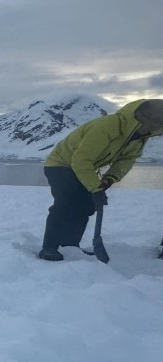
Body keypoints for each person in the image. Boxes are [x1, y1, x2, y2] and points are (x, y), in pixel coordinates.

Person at [38, 99, 163, 261]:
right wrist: (95, 189)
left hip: (84, 168)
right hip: (60, 164)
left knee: (87, 206)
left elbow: (127, 159)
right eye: (155, 122)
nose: (155, 127)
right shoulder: (109, 125)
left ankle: (70, 246)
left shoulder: (140, 136)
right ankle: (49, 247)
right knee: (65, 202)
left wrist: (109, 179)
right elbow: (81, 160)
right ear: (142, 117)